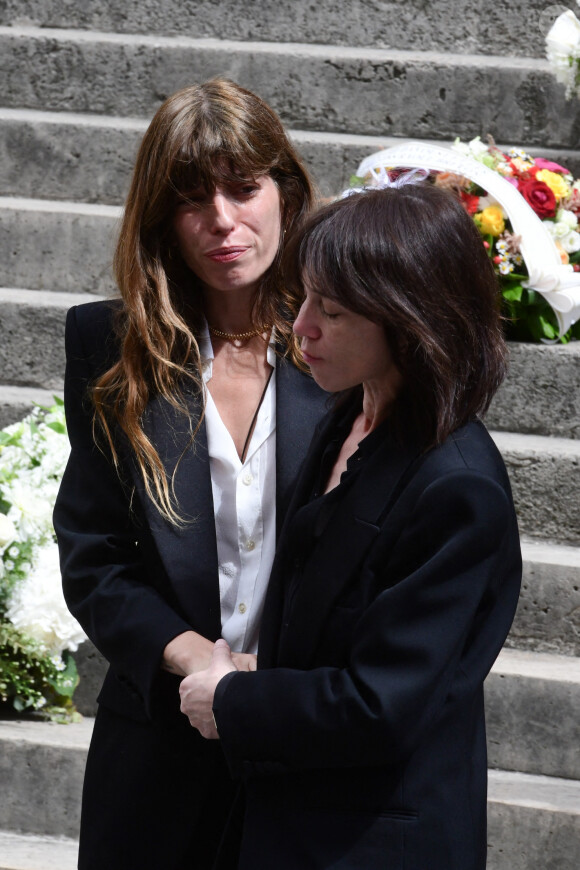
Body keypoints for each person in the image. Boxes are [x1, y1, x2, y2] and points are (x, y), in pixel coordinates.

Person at [179, 180, 523, 870]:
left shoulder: (455, 485)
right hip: (298, 823)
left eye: (331, 312)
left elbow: (380, 704)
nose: (300, 326)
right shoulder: (350, 413)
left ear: (411, 321)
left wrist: (235, 698)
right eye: (303, 297)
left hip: (373, 843)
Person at [53, 78, 328, 870]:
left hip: (306, 745)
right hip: (158, 754)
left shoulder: (345, 338)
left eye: (244, 188)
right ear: (160, 218)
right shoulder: (108, 347)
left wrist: (271, 684)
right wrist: (193, 658)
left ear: (286, 189)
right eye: (191, 199)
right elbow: (95, 554)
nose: (223, 221)